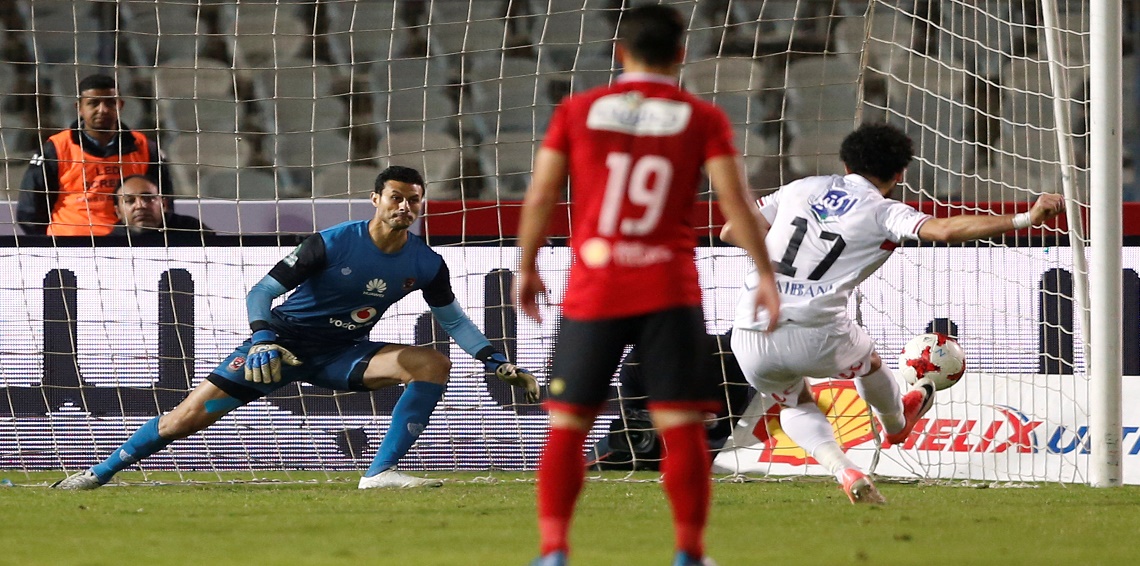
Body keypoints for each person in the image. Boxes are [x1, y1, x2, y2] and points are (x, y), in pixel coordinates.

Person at [53, 165, 540, 490]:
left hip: (341, 353)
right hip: (277, 349)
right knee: (183, 420)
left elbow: (451, 318)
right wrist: (264, 337)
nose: (405, 208)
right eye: (396, 198)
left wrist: (497, 361)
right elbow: (260, 293)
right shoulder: (329, 243)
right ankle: (97, 474)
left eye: (414, 200)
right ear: (375, 199)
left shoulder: (426, 263)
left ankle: (380, 473)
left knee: (431, 363)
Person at [515, 6, 781, 566]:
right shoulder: (701, 117)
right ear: (681, 54)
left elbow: (541, 195)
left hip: (596, 288)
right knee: (681, 426)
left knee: (567, 424)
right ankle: (689, 552)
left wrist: (528, 265)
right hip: (669, 290)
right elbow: (735, 200)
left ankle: (553, 550)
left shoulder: (578, 110)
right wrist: (763, 273)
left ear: (619, 52)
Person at [720, 122, 1066, 504]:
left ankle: (844, 470)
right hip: (815, 330)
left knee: (794, 403)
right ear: (900, 173)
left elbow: (730, 231)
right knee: (868, 362)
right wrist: (1024, 218)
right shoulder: (885, 211)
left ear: (845, 162)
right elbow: (945, 231)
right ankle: (897, 422)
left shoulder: (801, 188)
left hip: (751, 330)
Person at [16, 73, 173, 236]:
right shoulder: (56, 148)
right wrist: (51, 244)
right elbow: (30, 211)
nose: (102, 110)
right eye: (93, 103)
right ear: (79, 108)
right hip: (69, 246)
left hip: (128, 245)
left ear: (120, 105)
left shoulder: (145, 147)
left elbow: (164, 203)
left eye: (110, 103)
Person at [109, 174, 214, 240]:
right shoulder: (111, 242)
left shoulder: (192, 230)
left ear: (164, 204)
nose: (140, 206)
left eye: (148, 198)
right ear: (118, 212)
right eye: (130, 201)